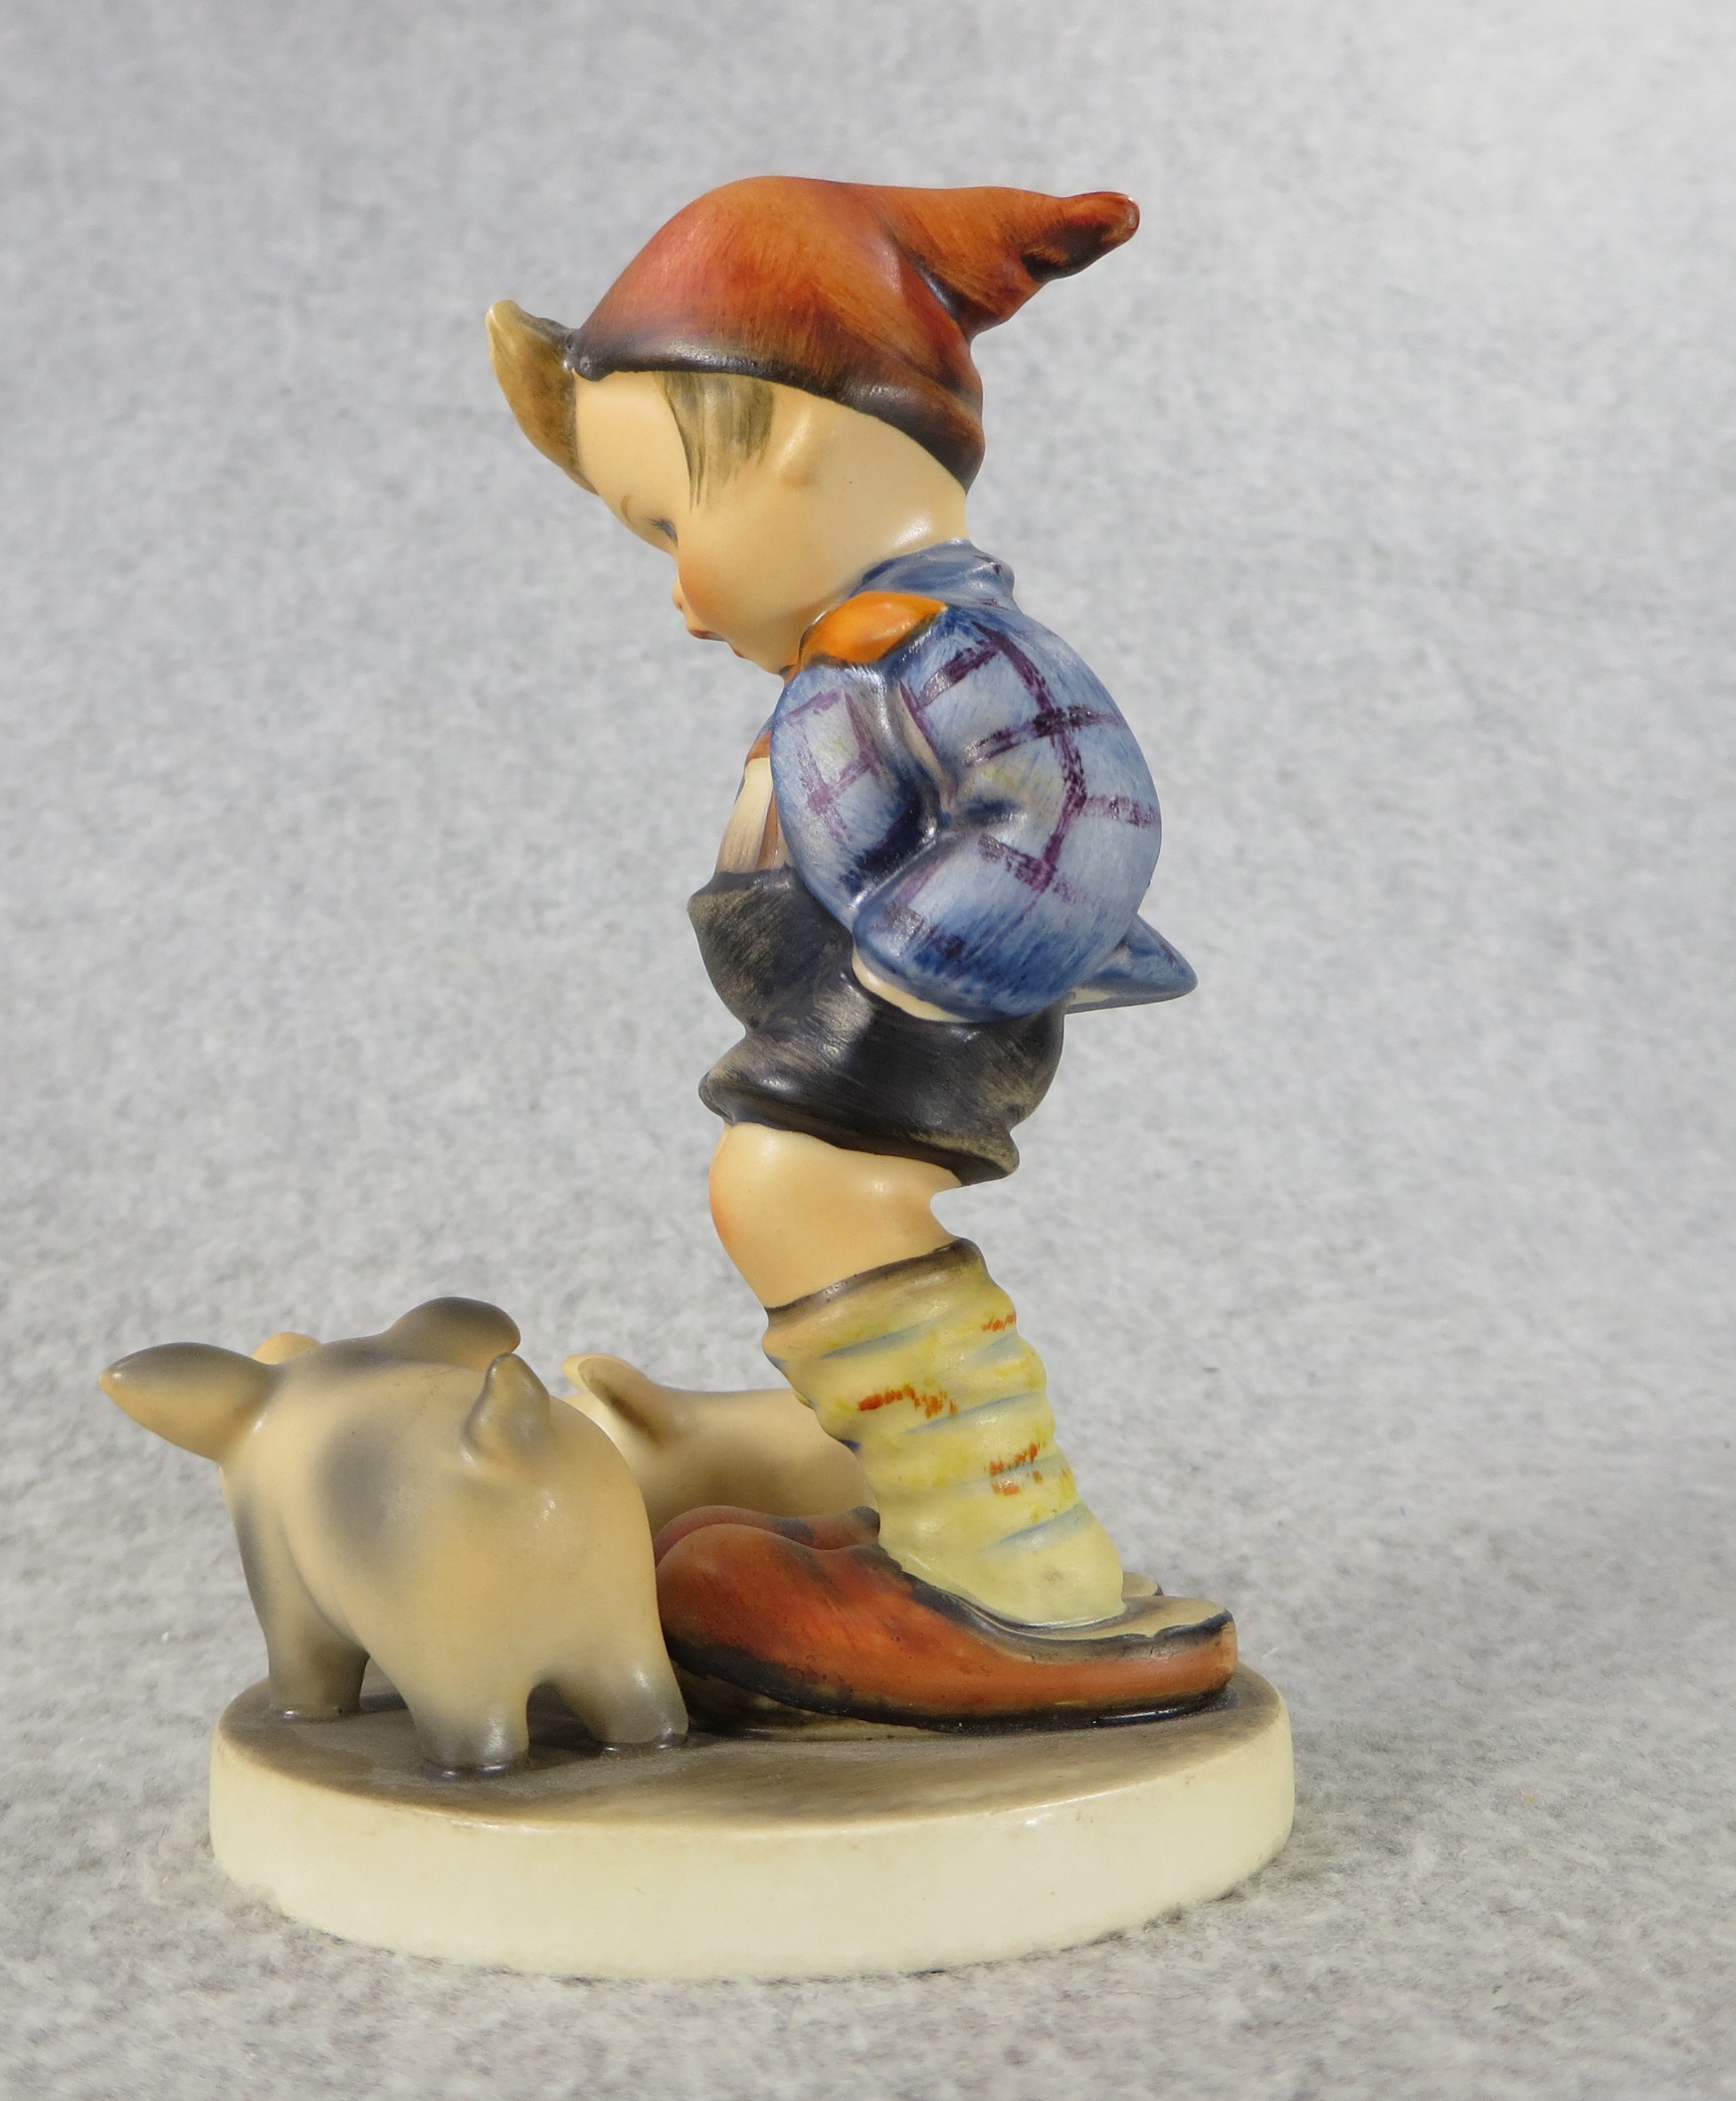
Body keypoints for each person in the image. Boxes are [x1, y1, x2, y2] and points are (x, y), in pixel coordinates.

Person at [488, 178, 1235, 1725]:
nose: (678, 598)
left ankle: (1007, 1573)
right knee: (786, 1190)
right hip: (862, 998)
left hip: (927, 997)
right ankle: (942, 1512)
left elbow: (1083, 808)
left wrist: (902, 971)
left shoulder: (954, 651)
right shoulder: (869, 655)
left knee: (789, 1187)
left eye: (672, 525)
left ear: (803, 448)